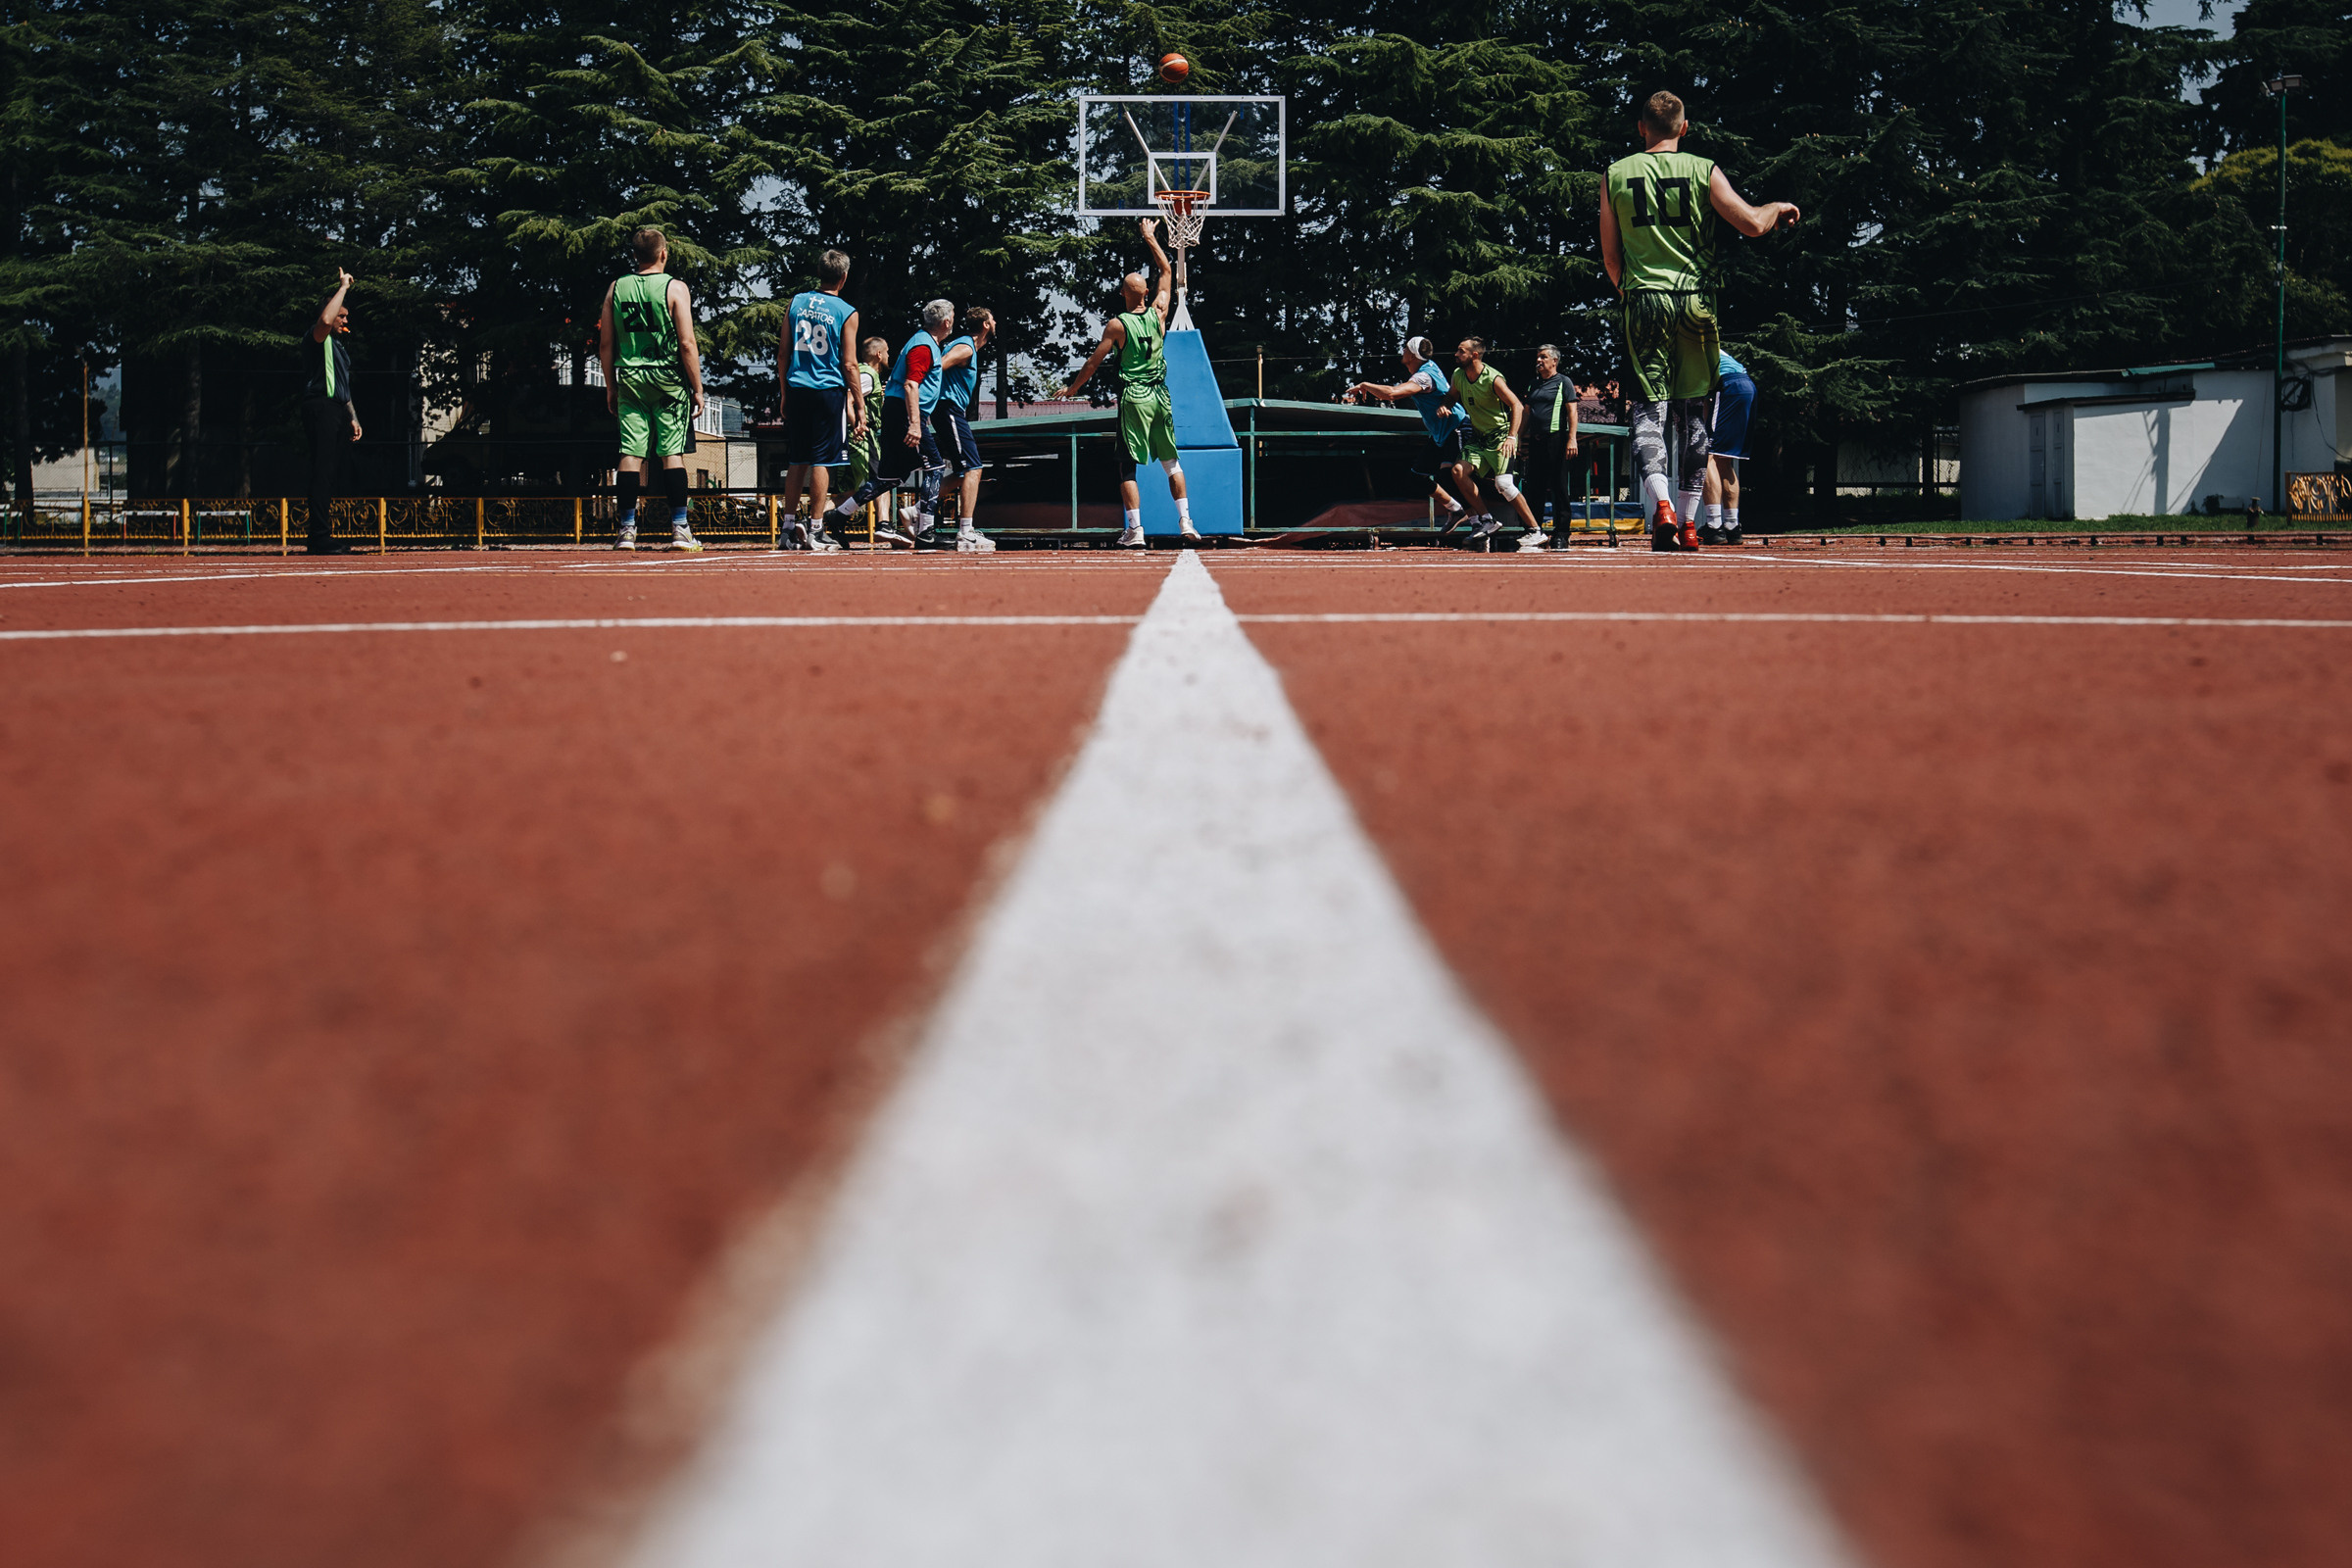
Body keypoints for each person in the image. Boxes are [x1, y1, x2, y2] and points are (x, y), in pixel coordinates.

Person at [1598, 89, 1799, 551]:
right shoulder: (1702, 168)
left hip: (1644, 299)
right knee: (1694, 415)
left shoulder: (1615, 174)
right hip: (1696, 302)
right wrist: (1777, 207)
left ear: (1641, 128)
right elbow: (1752, 223)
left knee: (1649, 411)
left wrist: (1634, 294)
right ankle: (1690, 524)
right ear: (1685, 128)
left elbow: (1611, 258)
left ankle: (1663, 506)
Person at [1054, 220, 1200, 548]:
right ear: (1147, 293)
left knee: (1126, 466)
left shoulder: (1117, 325)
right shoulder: (1159, 311)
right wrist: (1150, 237)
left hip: (1134, 397)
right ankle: (1186, 522)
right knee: (1171, 463)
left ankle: (1135, 530)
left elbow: (1093, 363)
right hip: (1160, 395)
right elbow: (1167, 269)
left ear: (1123, 293)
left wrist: (1073, 389)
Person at [597, 226, 708, 551]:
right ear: (664, 253)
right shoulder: (675, 288)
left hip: (630, 377)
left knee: (630, 453)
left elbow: (606, 344)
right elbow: (687, 343)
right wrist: (698, 388)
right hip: (668, 379)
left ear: (635, 255)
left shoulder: (616, 287)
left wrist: (610, 386)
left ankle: (626, 530)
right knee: (671, 453)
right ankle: (680, 529)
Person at [822, 300, 955, 547]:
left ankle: (838, 515)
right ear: (946, 322)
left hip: (895, 411)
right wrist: (915, 424)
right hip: (905, 412)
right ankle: (926, 531)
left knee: (890, 478)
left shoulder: (923, 343)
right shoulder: (923, 346)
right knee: (935, 467)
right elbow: (911, 385)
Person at [1343, 336, 1479, 541]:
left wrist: (1365, 385)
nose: (1403, 351)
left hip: (1456, 427)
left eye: (1406, 348)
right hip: (1441, 434)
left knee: (1449, 474)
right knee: (1417, 478)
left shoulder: (1424, 376)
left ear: (1413, 355)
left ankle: (1480, 522)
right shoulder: (1425, 370)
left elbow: (1392, 393)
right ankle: (1455, 509)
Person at [778, 249, 861, 552]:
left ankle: (787, 529)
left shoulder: (796, 302)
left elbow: (783, 353)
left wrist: (784, 393)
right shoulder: (847, 311)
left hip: (797, 387)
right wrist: (859, 404)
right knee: (822, 460)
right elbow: (849, 364)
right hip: (828, 391)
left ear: (819, 272)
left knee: (797, 460)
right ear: (844, 277)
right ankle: (815, 529)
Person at [1438, 336, 1546, 552]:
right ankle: (1487, 519)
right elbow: (1451, 396)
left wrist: (1512, 437)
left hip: (1500, 437)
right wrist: (1445, 406)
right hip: (1479, 437)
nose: (1456, 354)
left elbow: (1516, 405)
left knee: (1504, 484)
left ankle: (1535, 530)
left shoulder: (1492, 378)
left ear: (1474, 355)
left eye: (1461, 351)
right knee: (1458, 471)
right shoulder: (1458, 375)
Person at [302, 270, 361, 555]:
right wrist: (343, 287)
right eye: (342, 315)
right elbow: (325, 320)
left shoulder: (338, 347)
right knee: (322, 472)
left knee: (331, 474)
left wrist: (352, 417)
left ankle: (323, 534)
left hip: (336, 410)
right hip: (320, 407)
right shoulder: (317, 336)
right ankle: (319, 537)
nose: (345, 320)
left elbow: (342, 386)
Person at [933, 307, 997, 553]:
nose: (995, 322)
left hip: (948, 409)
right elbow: (936, 367)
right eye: (992, 319)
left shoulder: (966, 346)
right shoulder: (966, 347)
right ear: (985, 325)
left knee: (963, 471)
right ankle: (966, 532)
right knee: (973, 468)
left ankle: (916, 510)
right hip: (948, 408)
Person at [1519, 343, 1583, 537]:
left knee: (1559, 486)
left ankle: (1562, 532)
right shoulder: (1533, 384)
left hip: (1556, 439)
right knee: (1534, 487)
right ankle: (1534, 530)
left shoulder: (1564, 382)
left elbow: (1572, 412)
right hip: (1536, 441)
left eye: (1543, 357)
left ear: (1554, 361)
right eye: (1538, 357)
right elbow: (1526, 413)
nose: (1539, 360)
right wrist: (1519, 437)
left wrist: (1572, 439)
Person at [1700, 347, 1754, 544]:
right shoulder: (1709, 345)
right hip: (1746, 385)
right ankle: (1732, 525)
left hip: (1727, 386)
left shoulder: (1685, 348)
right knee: (1724, 459)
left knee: (1707, 456)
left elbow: (1703, 400)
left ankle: (1714, 525)